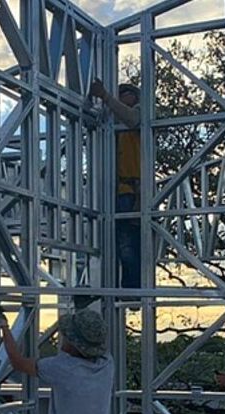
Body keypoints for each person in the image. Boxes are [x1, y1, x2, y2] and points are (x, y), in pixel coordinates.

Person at [89, 78, 141, 289]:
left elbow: (133, 119)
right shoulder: (112, 122)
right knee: (116, 244)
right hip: (114, 190)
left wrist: (106, 97)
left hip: (131, 190)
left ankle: (132, 289)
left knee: (128, 244)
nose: (120, 97)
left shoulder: (139, 114)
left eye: (124, 93)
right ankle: (120, 288)